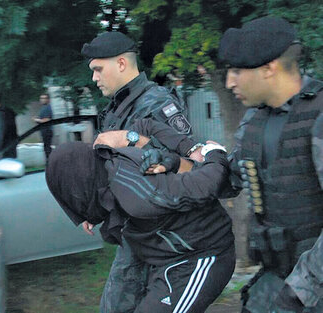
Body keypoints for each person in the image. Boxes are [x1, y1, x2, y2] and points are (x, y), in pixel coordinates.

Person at [80, 31, 205, 313]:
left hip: (161, 234)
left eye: (98, 69)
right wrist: (95, 206)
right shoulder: (118, 107)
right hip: (134, 230)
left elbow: (183, 165)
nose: (94, 78)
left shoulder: (158, 103)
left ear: (122, 63)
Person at [46, 137, 235, 313]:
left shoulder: (134, 193)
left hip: (203, 258)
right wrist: (89, 212)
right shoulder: (108, 170)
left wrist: (214, 153)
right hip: (168, 259)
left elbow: (205, 185)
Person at [218, 16, 323, 313]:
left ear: (269, 68)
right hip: (278, 277)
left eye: (237, 71)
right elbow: (229, 179)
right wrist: (171, 162)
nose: (229, 81)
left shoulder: (318, 116)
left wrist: (298, 294)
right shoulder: (256, 119)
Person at [33, 93, 53, 162]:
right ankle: (49, 161)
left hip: (47, 131)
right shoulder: (43, 108)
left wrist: (37, 120)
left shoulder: (47, 108)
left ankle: (50, 162)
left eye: (44, 98)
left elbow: (47, 120)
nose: (42, 100)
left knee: (47, 148)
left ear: (48, 100)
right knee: (46, 148)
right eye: (41, 98)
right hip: (44, 131)